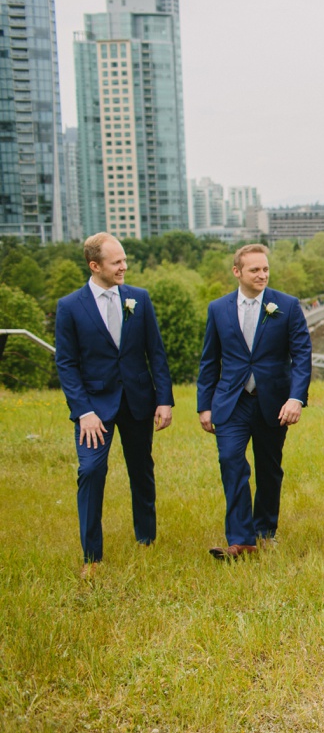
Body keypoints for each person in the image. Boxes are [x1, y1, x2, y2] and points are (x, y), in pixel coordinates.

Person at [54, 232, 174, 576]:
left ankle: (146, 539)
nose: (124, 266)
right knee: (90, 471)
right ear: (95, 266)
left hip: (137, 400)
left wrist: (164, 400)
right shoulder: (70, 307)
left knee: (142, 470)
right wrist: (84, 412)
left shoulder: (140, 298)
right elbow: (67, 364)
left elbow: (156, 353)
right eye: (116, 262)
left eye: (124, 260)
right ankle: (91, 557)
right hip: (93, 408)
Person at [197, 244, 312, 560]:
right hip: (231, 403)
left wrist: (295, 398)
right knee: (230, 461)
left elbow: (302, 355)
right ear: (237, 272)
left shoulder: (286, 306)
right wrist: (204, 406)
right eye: (254, 270)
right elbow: (210, 361)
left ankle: (265, 532)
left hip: (273, 402)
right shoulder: (218, 309)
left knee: (269, 469)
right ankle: (240, 539)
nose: (262, 275)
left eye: (265, 269)